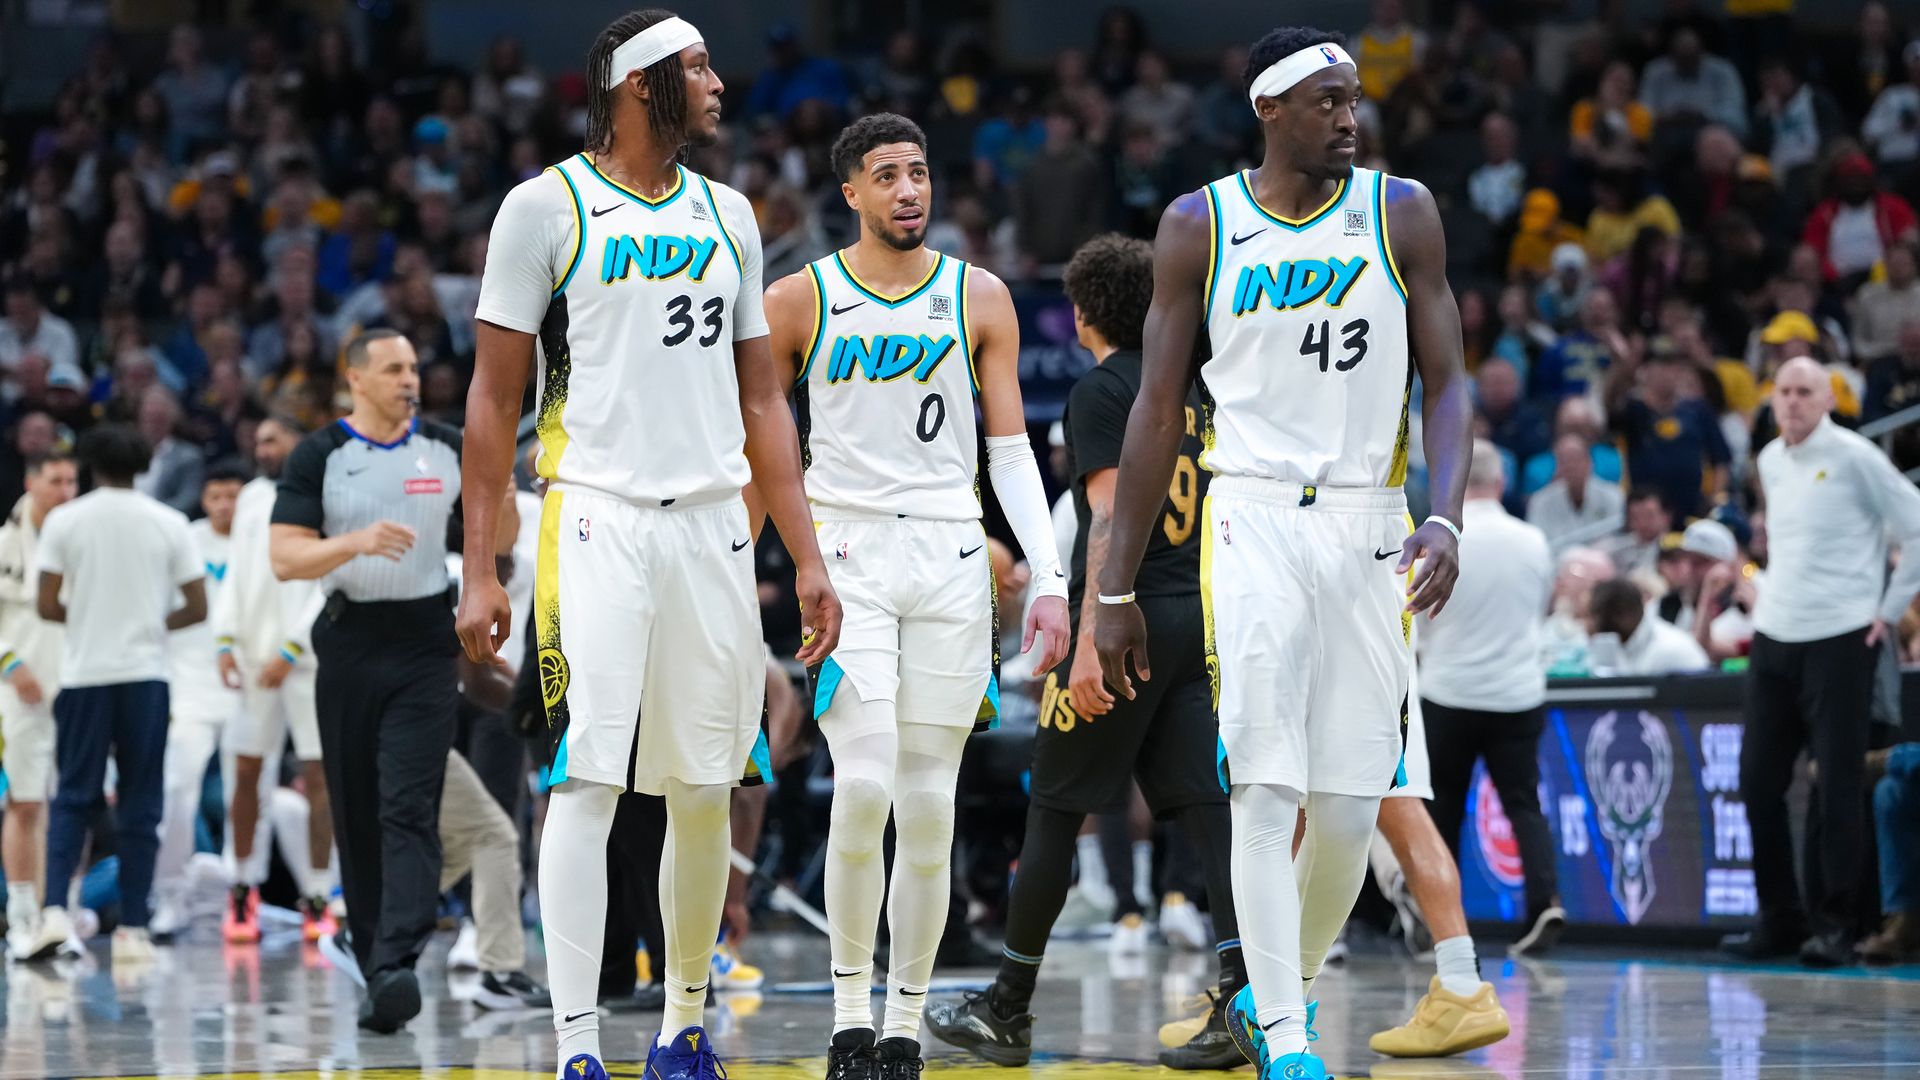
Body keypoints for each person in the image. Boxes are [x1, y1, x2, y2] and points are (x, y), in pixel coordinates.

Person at [455, 13, 842, 1080]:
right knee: (586, 781)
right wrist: (482, 562)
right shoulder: (544, 206)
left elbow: (764, 399)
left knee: (707, 784)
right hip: (594, 518)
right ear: (637, 86)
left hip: (715, 528)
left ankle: (683, 1031)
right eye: (698, 67)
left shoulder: (730, 211)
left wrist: (803, 557)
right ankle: (578, 1047)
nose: (719, 84)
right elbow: (492, 401)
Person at [1093, 28, 1472, 1080]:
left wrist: (1445, 517)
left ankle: (1277, 1002)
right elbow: (1157, 410)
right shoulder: (1197, 225)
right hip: (1250, 513)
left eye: (1354, 100)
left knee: (1352, 809)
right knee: (1265, 786)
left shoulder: (1401, 211)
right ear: (1270, 109)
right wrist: (1110, 586)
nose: (1349, 117)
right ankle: (1293, 1042)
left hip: (1372, 521)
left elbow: (1448, 381)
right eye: (1327, 100)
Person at [760, 112, 1069, 1078]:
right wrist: (739, 566)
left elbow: (1011, 449)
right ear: (849, 191)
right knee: (861, 786)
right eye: (887, 175)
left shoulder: (979, 297)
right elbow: (762, 451)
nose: (908, 190)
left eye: (920, 173)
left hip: (949, 556)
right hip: (846, 548)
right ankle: (850, 1011)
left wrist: (1049, 575)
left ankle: (902, 1024)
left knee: (930, 806)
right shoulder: (797, 300)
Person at [925, 235, 1241, 1070]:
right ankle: (1250, 999)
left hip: (1128, 614)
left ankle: (1008, 1005)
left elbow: (1109, 516)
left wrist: (1098, 632)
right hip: (1197, 615)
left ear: (1082, 313)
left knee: (1057, 809)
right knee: (1210, 812)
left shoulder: (1103, 391)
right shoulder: (1197, 388)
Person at [268, 330, 467, 1032]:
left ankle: (397, 959)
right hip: (349, 641)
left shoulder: (449, 447)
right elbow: (286, 558)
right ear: (356, 379)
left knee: (407, 801)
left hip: (424, 642)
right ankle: (377, 957)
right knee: (355, 803)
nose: (409, 379)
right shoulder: (320, 455)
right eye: (392, 369)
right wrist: (355, 541)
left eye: (413, 368)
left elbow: (493, 536)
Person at [1724, 357, 1920, 967]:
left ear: (1828, 398)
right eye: (1783, 392)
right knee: (1757, 779)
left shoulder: (1857, 456)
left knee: (1837, 784)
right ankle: (1779, 916)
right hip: (1776, 633)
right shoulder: (1769, 459)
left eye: (1805, 392)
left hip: (1843, 635)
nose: (1792, 403)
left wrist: (1888, 608)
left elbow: (1915, 525)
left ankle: (1836, 924)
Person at [29, 423, 207, 964]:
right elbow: (197, 606)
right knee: (140, 802)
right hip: (146, 675)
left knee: (74, 798)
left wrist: (86, 617)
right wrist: (152, 623)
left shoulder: (65, 520)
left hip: (85, 676)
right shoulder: (171, 522)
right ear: (141, 465)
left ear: (89, 466)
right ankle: (134, 928)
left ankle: (56, 912)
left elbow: (45, 604)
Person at [1417, 440, 1562, 958]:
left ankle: (1440, 925)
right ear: (1501, 484)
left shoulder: (1433, 543)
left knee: (1443, 813)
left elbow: (1415, 616)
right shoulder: (1534, 541)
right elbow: (1540, 610)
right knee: (1524, 803)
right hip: (1517, 693)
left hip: (1449, 692)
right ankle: (1545, 900)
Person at [211, 414, 333, 944]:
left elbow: (331, 576)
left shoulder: (328, 488)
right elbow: (236, 571)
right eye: (256, 439)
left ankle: (319, 893)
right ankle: (242, 888)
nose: (260, 447)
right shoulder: (253, 499)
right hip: (256, 659)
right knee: (244, 773)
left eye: (270, 438)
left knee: (319, 778)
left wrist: (294, 645)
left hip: (305, 659)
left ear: (295, 440)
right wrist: (223, 639)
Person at [151, 461, 247, 940]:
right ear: (204, 499)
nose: (226, 505)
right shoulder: (182, 539)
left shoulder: (265, 540)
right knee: (175, 791)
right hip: (189, 688)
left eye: (234, 495)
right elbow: (157, 609)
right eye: (216, 496)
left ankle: (241, 897)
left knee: (249, 797)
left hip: (249, 689)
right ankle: (169, 895)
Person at [0, 451, 76, 960]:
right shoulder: (5, 542)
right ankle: (22, 913)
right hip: (17, 690)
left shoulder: (83, 543)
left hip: (78, 687)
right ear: (32, 482)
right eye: (55, 480)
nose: (65, 490)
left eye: (72, 481)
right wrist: (10, 664)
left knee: (72, 805)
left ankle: (60, 910)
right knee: (25, 802)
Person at [1584, 578, 1710, 675]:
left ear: (1622, 614)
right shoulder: (1615, 646)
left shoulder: (1670, 649)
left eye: (1596, 616)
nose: (1591, 624)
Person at [1526, 432, 1624, 547]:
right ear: (1557, 465)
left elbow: (1620, 540)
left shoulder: (1613, 496)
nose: (1571, 466)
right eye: (1564, 461)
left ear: (1589, 462)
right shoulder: (1540, 501)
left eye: (1576, 459)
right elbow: (1538, 544)